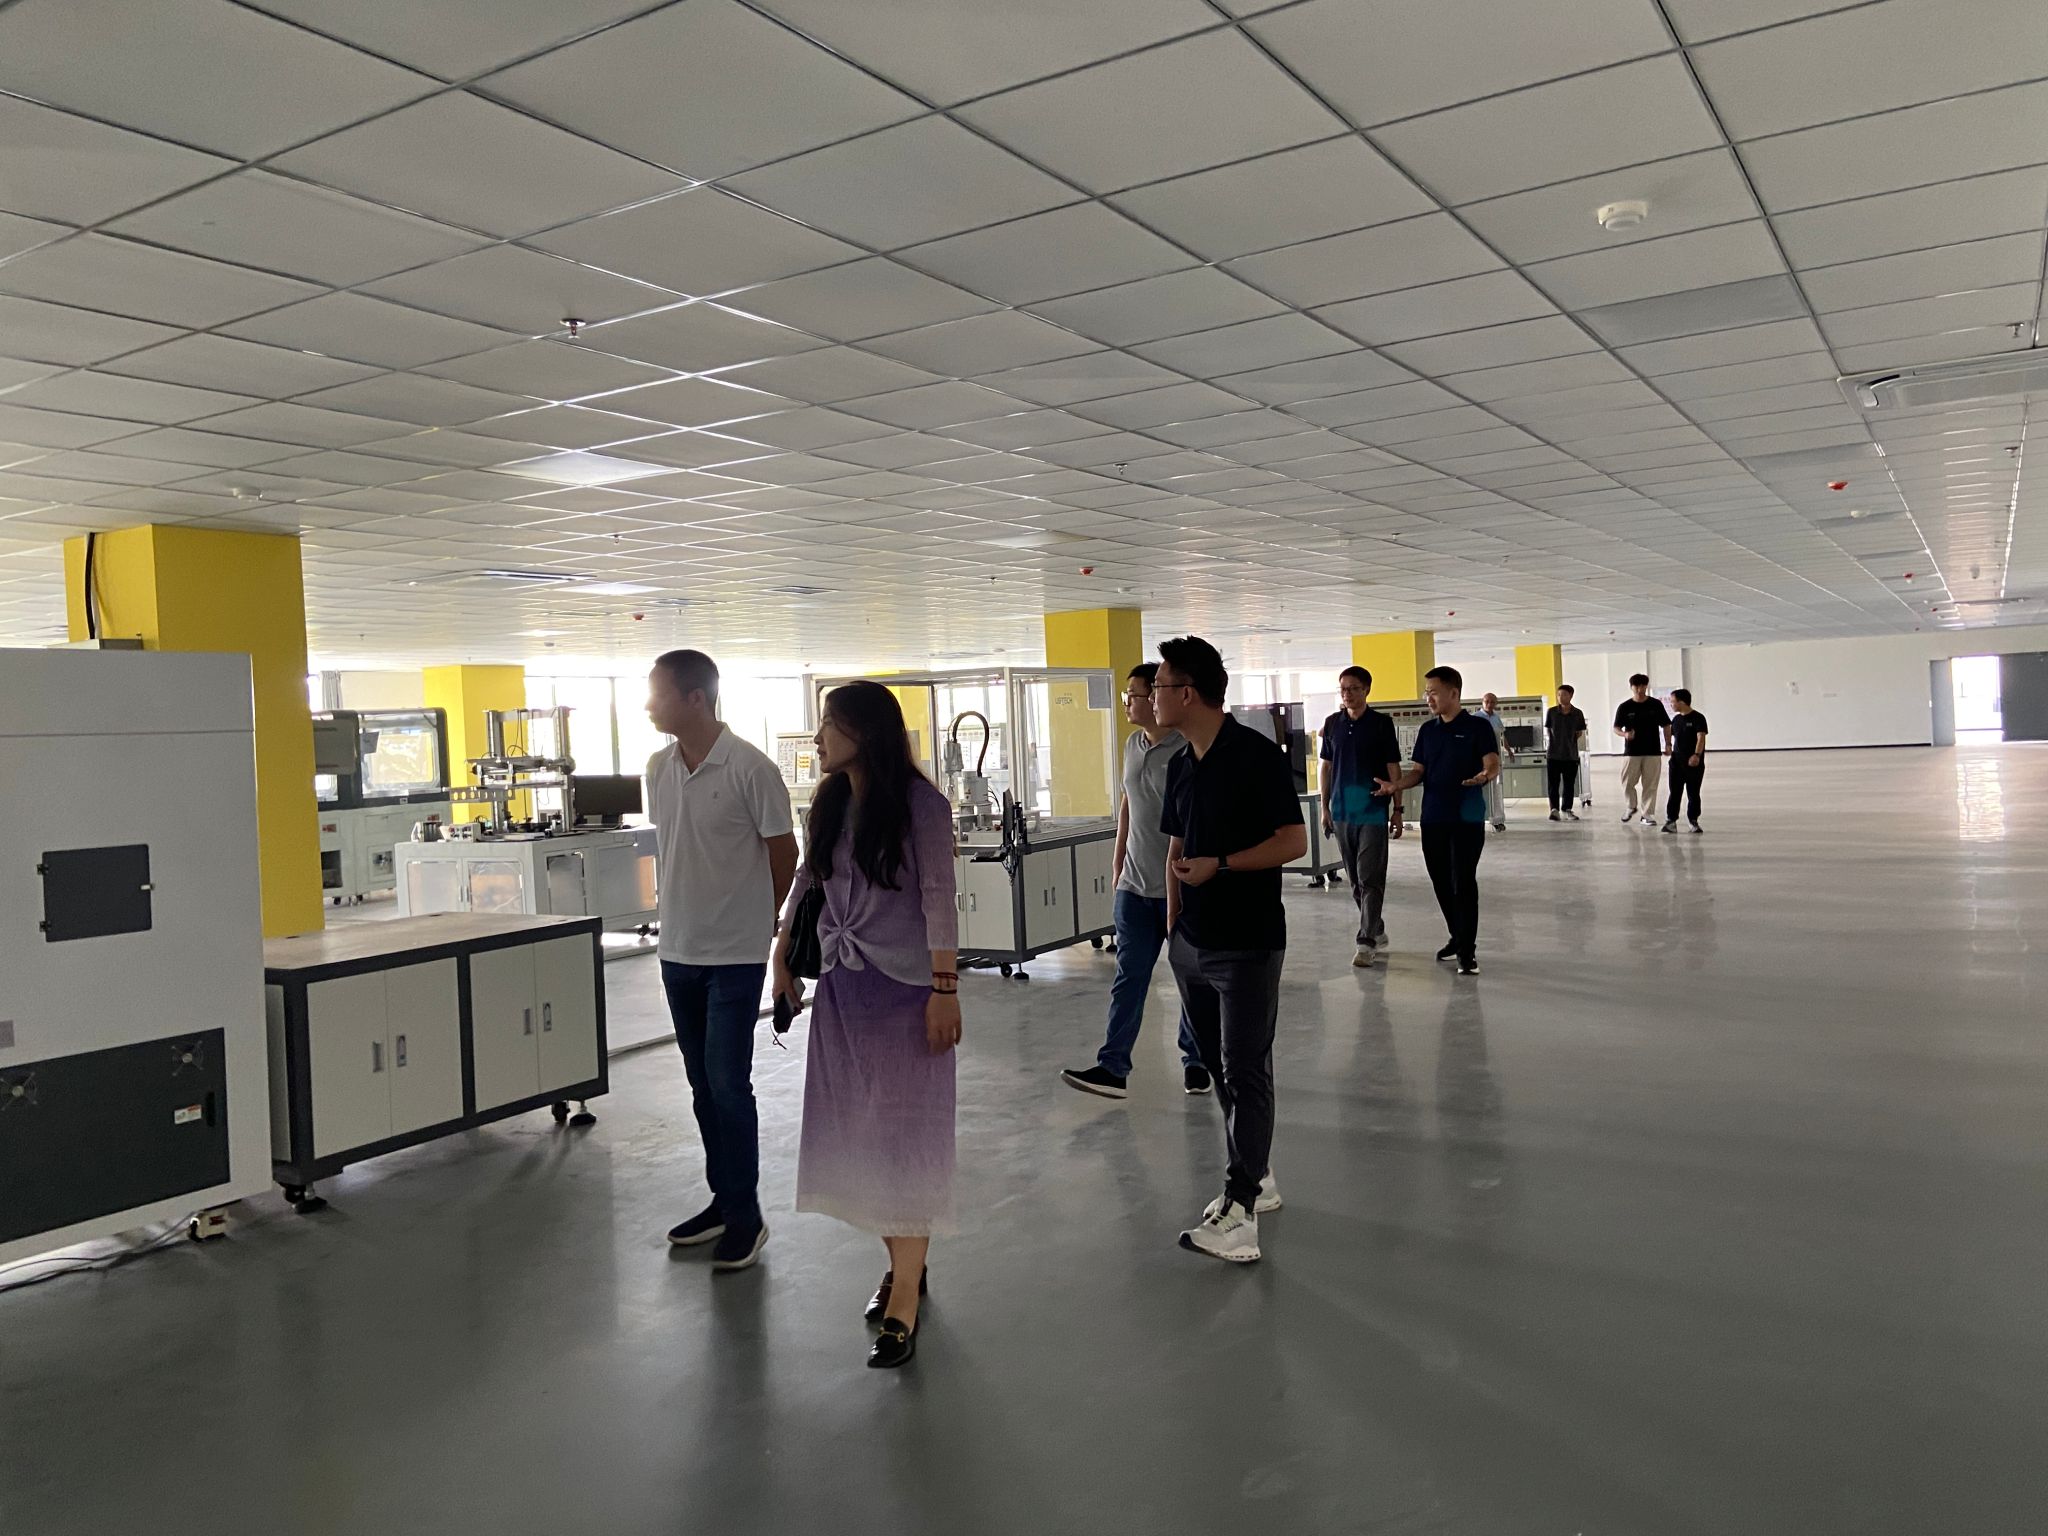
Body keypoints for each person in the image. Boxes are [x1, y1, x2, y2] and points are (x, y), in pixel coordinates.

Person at [771, 681, 960, 1370]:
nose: (818, 737)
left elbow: (939, 899)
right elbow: (808, 880)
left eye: (830, 724)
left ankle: (904, 1295)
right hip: (843, 988)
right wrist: (782, 955)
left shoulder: (920, 805)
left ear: (867, 731)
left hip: (907, 992)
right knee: (862, 1136)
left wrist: (945, 990)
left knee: (906, 1138)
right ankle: (906, 1264)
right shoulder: (829, 802)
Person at [646, 650, 799, 1273]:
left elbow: (784, 854)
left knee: (729, 1084)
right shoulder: (658, 768)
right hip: (677, 951)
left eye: (658, 694)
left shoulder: (751, 768)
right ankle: (724, 1200)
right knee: (702, 1085)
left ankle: (746, 1216)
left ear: (696, 699)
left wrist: (762, 921)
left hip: (733, 956)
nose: (649, 705)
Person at [1156, 636, 1306, 1264]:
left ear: (1188, 694)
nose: (1152, 698)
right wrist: (1173, 919)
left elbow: (1293, 841)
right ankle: (1256, 1177)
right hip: (1192, 943)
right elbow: (1175, 843)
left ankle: (1240, 1213)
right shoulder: (1180, 763)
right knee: (1219, 1068)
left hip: (1246, 943)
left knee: (1246, 1068)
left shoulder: (1256, 757)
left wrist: (1220, 865)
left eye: (1159, 687)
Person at [1062, 664, 1210, 1099]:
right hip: (1134, 887)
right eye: (1126, 695)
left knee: (1190, 979)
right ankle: (1113, 1067)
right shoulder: (1131, 745)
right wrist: (1117, 862)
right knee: (1129, 978)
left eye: (1135, 694)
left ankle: (1195, 1061)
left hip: (1179, 887)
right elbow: (1128, 804)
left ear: (1157, 697)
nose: (1127, 702)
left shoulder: (1186, 750)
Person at [1375, 666, 1498, 977]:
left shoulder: (1478, 727)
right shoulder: (1428, 731)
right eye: (1426, 692)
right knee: (1440, 879)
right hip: (1433, 817)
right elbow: (1418, 772)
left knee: (1463, 880)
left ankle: (1467, 952)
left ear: (1453, 693)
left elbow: (1492, 763)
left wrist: (1484, 776)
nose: (1428, 698)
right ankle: (1457, 936)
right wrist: (1395, 786)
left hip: (1467, 816)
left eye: (1433, 692)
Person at [1318, 665, 1404, 968]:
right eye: (1343, 689)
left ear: (1366, 690)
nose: (1348, 694)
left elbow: (1393, 767)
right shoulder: (1332, 724)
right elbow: (1326, 767)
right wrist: (1325, 807)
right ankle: (1375, 927)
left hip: (1372, 810)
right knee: (1355, 880)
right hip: (1342, 812)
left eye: (1354, 688)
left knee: (1370, 877)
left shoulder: (1381, 724)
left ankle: (1365, 941)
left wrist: (1397, 809)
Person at [1613, 673, 1671, 826]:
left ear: (1646, 686)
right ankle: (1631, 806)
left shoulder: (1655, 704)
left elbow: (1666, 725)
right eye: (1636, 686)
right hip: (1632, 751)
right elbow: (1616, 728)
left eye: (1642, 686)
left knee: (1650, 784)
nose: (1639, 689)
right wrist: (1625, 734)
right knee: (1627, 782)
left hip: (1652, 750)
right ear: (1631, 687)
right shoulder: (1625, 707)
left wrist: (1668, 744)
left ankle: (1647, 814)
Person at [1663, 689, 1709, 834]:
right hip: (1676, 763)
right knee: (1675, 792)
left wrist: (1697, 755)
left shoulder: (1698, 718)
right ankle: (1671, 821)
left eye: (1673, 701)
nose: (1671, 704)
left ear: (1682, 702)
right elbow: (1672, 737)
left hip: (1693, 763)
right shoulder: (1676, 720)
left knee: (1693, 793)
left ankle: (1693, 821)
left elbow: (1701, 737)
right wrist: (1668, 747)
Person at [1544, 685, 1588, 822]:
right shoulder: (1551, 712)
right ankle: (1554, 810)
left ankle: (1567, 809)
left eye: (1564, 694)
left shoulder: (1578, 713)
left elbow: (1579, 732)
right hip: (1553, 755)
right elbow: (1548, 730)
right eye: (1558, 695)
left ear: (1571, 696)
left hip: (1570, 755)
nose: (1560, 697)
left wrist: (1569, 741)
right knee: (1553, 784)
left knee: (1569, 784)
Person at [1477, 692, 1509, 831]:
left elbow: (1502, 736)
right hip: (1481, 761)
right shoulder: (1476, 718)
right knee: (1481, 790)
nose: (1489, 704)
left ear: (1496, 704)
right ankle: (1482, 817)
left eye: (1492, 702)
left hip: (1497, 759)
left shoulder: (1496, 718)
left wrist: (1509, 750)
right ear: (1482, 702)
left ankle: (1497, 818)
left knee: (1497, 789)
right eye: (1487, 701)